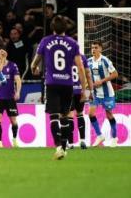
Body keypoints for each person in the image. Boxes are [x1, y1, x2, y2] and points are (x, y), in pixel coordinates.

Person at [31, 16, 88, 160]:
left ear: (52, 27)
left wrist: (33, 67)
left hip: (52, 83)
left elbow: (36, 61)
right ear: (66, 28)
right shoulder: (73, 43)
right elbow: (80, 67)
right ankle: (63, 147)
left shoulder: (46, 41)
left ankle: (58, 147)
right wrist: (84, 89)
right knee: (65, 116)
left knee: (54, 115)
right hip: (68, 85)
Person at [88, 41, 119, 147]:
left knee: (109, 114)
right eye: (92, 48)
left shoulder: (105, 60)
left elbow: (115, 74)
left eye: (96, 48)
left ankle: (114, 138)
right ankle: (99, 135)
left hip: (107, 93)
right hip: (95, 93)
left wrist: (101, 81)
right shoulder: (89, 61)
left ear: (100, 49)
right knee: (91, 113)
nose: (93, 50)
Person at [0, 50, 22, 148]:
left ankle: (14, 139)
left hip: (10, 97)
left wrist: (18, 92)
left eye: (2, 54)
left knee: (13, 121)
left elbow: (18, 80)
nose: (0, 56)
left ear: (6, 55)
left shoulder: (12, 65)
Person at [68, 53, 93, 150]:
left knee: (69, 115)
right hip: (84, 90)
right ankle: (83, 141)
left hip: (69, 90)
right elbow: (88, 75)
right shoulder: (82, 57)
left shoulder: (67, 55)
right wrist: (90, 92)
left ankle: (70, 144)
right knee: (80, 114)